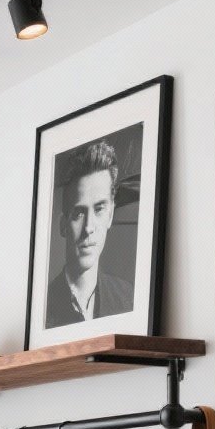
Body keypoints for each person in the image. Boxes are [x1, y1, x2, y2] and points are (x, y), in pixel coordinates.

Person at [46, 140, 134, 328]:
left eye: (99, 209)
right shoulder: (43, 310)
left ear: (110, 216)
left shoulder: (129, 298)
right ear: (63, 225)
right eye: (79, 213)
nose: (88, 228)